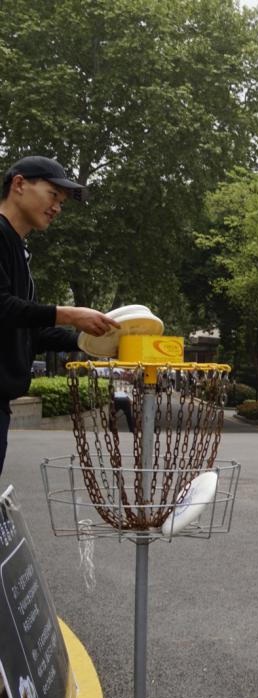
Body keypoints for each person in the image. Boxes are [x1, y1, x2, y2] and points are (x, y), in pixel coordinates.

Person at [1, 156, 116, 478]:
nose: (57, 208)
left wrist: (96, 340)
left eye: (62, 202)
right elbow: (3, 307)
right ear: (19, 184)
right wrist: (68, 314)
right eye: (53, 195)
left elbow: (31, 332)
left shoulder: (18, 249)